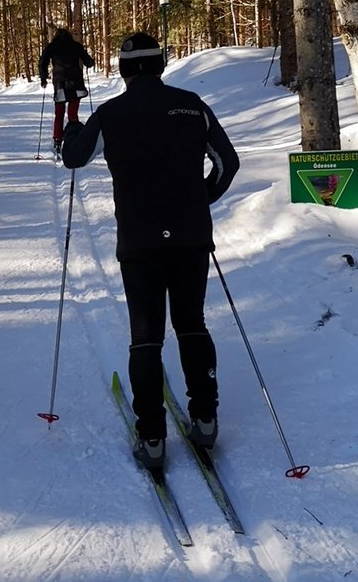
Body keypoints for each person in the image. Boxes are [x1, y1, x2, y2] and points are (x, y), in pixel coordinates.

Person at [61, 32, 239, 471]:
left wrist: (72, 130)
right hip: (190, 235)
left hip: (139, 241)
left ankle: (153, 438)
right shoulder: (191, 105)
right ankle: (205, 418)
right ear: (159, 64)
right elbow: (228, 163)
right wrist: (201, 198)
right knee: (192, 324)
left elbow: (73, 159)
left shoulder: (111, 113)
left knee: (146, 336)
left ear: (124, 69)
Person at [38, 27, 96, 156]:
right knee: (72, 112)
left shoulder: (52, 47)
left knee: (59, 112)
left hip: (59, 83)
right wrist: (89, 62)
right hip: (76, 82)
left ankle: (58, 139)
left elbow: (43, 62)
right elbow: (88, 62)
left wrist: (43, 78)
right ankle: (73, 136)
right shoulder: (76, 46)